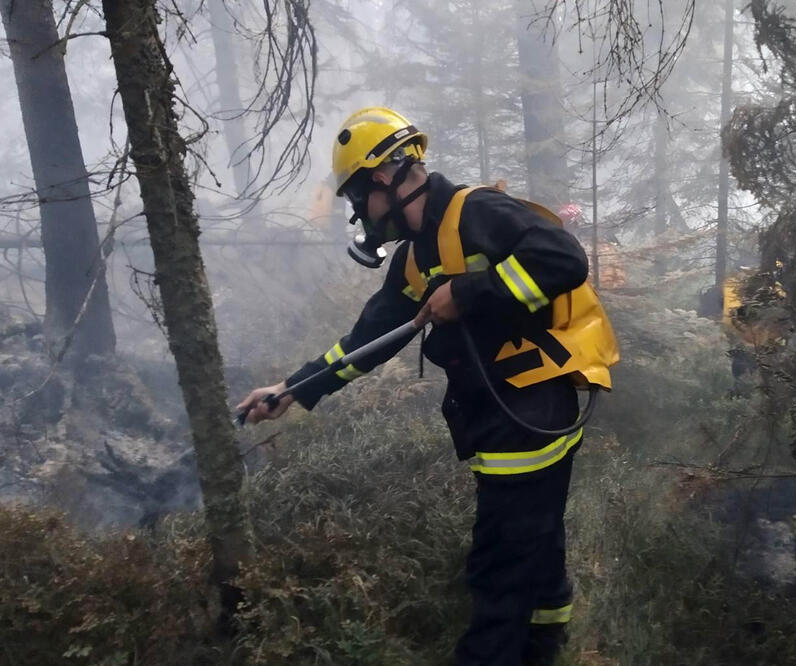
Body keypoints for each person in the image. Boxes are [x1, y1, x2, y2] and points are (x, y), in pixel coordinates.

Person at [237, 107, 618, 665]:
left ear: (384, 180)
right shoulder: (415, 257)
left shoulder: (477, 211)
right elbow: (371, 338)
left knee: (499, 567)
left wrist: (468, 293)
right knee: (536, 540)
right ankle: (545, 644)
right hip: (502, 411)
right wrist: (294, 389)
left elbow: (563, 257)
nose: (358, 214)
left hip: (531, 410)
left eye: (356, 199)